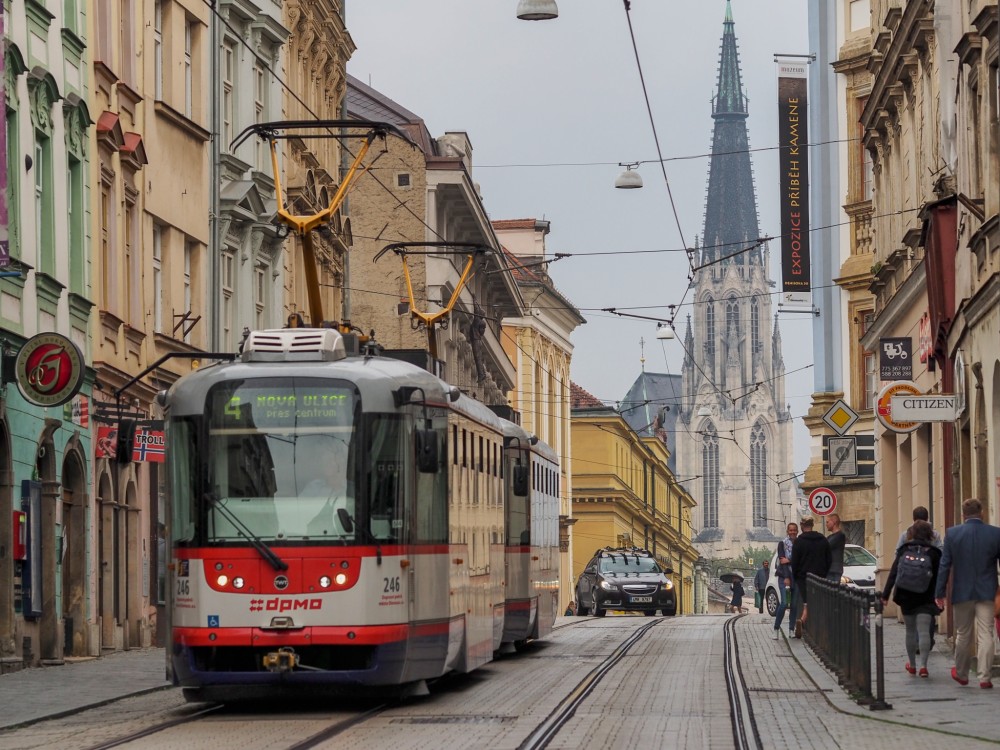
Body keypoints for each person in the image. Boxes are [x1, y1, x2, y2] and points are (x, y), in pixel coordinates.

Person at [934, 498, 1000, 689]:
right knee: (986, 633)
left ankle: (962, 673)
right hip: (987, 591)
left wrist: (939, 592)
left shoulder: (953, 534)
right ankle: (984, 677)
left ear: (963, 515)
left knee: (963, 633)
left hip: (962, 591)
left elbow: (944, 565)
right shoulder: (995, 534)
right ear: (982, 513)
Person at [882, 520, 942, 678]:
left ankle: (913, 665)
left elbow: (894, 573)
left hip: (906, 595)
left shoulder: (903, 550)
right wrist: (940, 595)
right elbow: (940, 577)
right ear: (929, 534)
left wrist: (885, 595)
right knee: (923, 632)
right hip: (926, 596)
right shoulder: (934, 553)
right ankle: (924, 666)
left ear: (912, 533)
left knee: (910, 631)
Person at [791, 516, 832, 637]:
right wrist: (824, 573)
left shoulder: (799, 542)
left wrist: (796, 577)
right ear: (813, 525)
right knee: (817, 602)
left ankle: (802, 621)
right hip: (819, 577)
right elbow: (829, 559)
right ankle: (817, 628)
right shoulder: (823, 540)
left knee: (806, 602)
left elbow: (794, 562)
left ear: (802, 526)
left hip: (803, 578)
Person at [303, 448, 353, 537]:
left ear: (341, 464)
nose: (326, 465)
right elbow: (298, 514)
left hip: (347, 544)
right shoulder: (314, 487)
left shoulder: (352, 490)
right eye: (324, 462)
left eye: (330, 460)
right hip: (312, 541)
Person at [772, 522, 798, 639]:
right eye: (790, 530)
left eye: (794, 530)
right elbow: (782, 563)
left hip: (796, 577)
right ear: (787, 531)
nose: (792, 532)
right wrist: (787, 577)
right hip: (784, 577)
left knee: (794, 605)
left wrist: (790, 560)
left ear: (797, 531)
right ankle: (776, 628)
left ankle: (791, 629)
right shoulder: (782, 544)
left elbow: (800, 560)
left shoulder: (799, 543)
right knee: (783, 604)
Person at [826, 513, 846, 583]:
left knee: (832, 591)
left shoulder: (840, 536)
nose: (826, 524)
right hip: (829, 569)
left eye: (828, 522)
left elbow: (826, 546)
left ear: (833, 522)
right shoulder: (830, 537)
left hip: (834, 570)